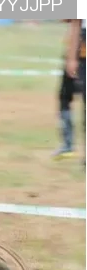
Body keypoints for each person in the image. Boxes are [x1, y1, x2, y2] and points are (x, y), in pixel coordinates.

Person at [58, 19, 86, 166]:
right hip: (80, 51)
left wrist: (71, 59)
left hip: (81, 53)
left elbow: (75, 22)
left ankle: (68, 145)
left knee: (66, 98)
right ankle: (67, 145)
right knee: (65, 97)